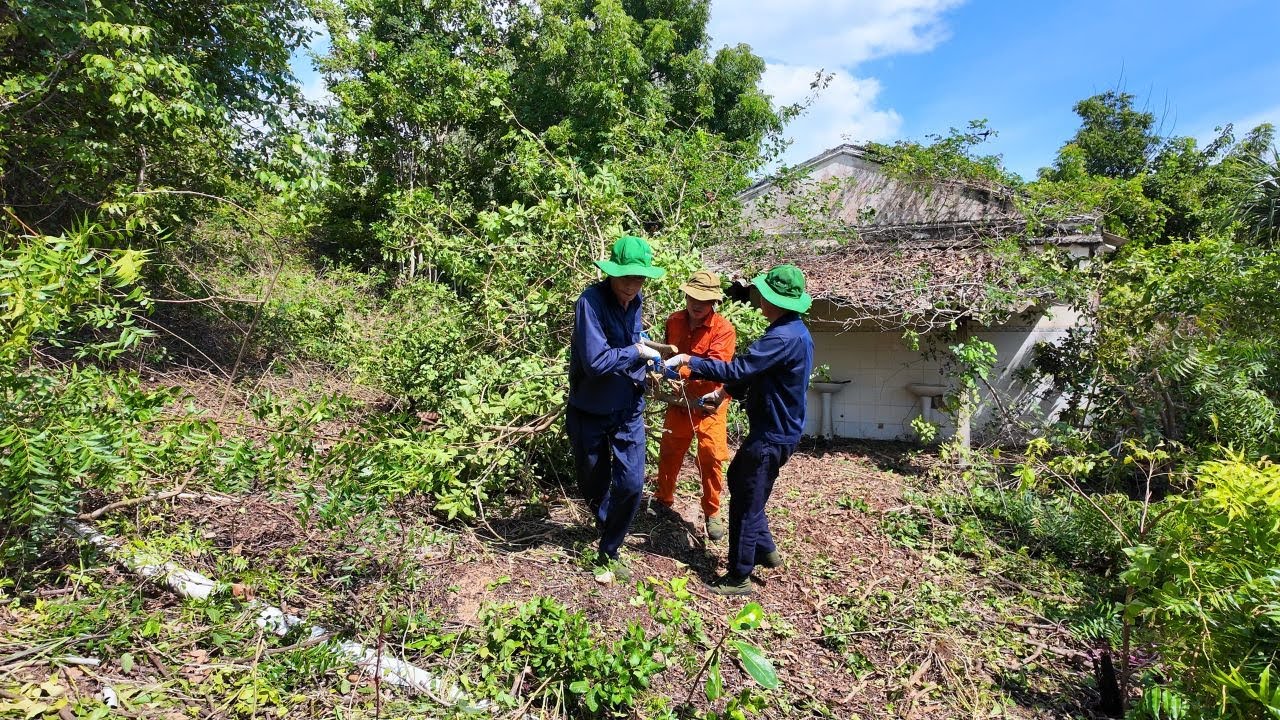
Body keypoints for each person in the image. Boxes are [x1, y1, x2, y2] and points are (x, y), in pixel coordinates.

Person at [666, 265, 814, 595]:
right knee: (740, 481)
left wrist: (691, 361)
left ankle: (739, 576)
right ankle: (765, 549)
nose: (756, 297)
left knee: (746, 499)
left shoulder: (781, 337)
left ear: (774, 300)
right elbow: (753, 376)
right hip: (776, 429)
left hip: (772, 433)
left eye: (762, 293)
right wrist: (724, 392)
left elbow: (739, 368)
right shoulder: (795, 331)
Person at [567, 235, 666, 582]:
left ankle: (609, 551)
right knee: (593, 481)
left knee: (632, 484)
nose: (632, 286)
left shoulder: (635, 302)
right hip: (589, 408)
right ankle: (605, 522)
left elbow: (631, 344)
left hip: (627, 407)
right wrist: (636, 352)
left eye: (639, 279)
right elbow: (595, 361)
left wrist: (651, 365)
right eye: (626, 278)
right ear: (611, 274)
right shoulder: (590, 303)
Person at [652, 270, 735, 541]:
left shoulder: (723, 330)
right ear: (686, 295)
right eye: (692, 297)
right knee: (670, 450)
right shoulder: (674, 321)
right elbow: (666, 354)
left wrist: (682, 371)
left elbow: (718, 369)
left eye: (704, 299)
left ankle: (712, 510)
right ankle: (663, 499)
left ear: (714, 302)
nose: (696, 304)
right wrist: (662, 370)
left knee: (710, 456)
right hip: (680, 400)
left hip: (710, 402)